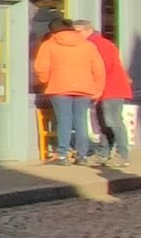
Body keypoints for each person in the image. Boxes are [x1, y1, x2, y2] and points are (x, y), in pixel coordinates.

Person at [32, 18, 105, 165]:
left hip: (59, 86)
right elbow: (99, 69)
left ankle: (62, 155)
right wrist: (98, 89)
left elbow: (41, 67)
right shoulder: (88, 45)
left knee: (64, 121)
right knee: (81, 121)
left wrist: (45, 80)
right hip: (84, 87)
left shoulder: (49, 45)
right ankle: (82, 155)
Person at [81, 20, 132, 168]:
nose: (77, 35)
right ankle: (104, 153)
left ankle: (122, 154)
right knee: (103, 123)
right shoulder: (96, 44)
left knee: (112, 121)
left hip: (111, 89)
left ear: (88, 30)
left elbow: (103, 67)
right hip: (104, 89)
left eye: (79, 32)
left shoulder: (99, 44)